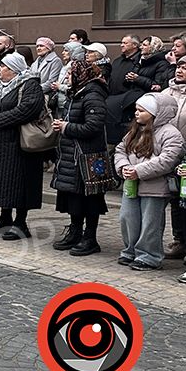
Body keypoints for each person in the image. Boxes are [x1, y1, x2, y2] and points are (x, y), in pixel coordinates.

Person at [0, 52, 46, 240]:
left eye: (3, 67)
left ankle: (20, 223)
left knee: (19, 183)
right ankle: (5, 217)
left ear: (14, 69)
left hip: (20, 144)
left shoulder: (30, 85)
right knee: (1, 182)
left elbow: (27, 109)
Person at [114, 93, 184, 270]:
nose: (136, 114)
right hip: (131, 183)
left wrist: (138, 171)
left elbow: (167, 160)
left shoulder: (171, 134)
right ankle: (130, 250)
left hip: (155, 187)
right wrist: (123, 167)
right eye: (136, 110)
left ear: (155, 113)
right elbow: (121, 150)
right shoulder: (135, 131)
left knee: (150, 223)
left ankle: (149, 256)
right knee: (127, 218)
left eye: (141, 110)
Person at [50, 59, 110, 256]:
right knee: (73, 196)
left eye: (69, 74)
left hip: (88, 156)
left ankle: (90, 237)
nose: (67, 78)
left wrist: (66, 127)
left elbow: (93, 126)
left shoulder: (93, 95)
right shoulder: (76, 93)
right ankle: (75, 231)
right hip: (72, 153)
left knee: (90, 199)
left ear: (80, 75)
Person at [165, 55, 186, 266]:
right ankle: (179, 240)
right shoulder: (167, 92)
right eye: (179, 66)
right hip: (170, 150)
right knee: (175, 198)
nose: (180, 70)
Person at [105, 35, 144, 144]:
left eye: (125, 43)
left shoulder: (140, 62)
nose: (121, 45)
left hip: (127, 104)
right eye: (121, 42)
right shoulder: (117, 61)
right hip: (112, 101)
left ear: (135, 45)